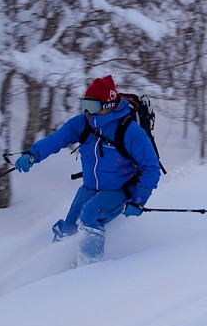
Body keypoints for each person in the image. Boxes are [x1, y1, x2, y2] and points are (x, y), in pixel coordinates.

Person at [15, 75, 161, 264]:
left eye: (92, 106)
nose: (87, 111)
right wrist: (33, 153)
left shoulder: (130, 131)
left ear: (108, 105)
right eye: (85, 104)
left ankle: (88, 270)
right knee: (69, 228)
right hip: (91, 188)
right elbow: (57, 139)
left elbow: (151, 167)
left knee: (90, 215)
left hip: (120, 190)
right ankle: (52, 265)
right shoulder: (83, 123)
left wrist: (139, 200)